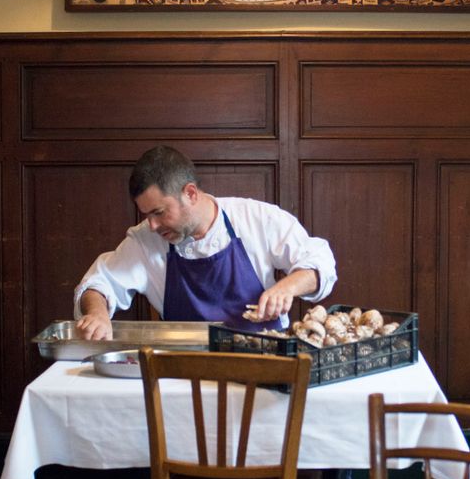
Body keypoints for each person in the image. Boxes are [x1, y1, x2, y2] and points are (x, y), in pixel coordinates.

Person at [74, 145, 337, 340]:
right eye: (146, 214)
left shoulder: (255, 217)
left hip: (265, 362)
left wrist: (287, 288)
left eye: (158, 212)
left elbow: (321, 265)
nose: (152, 225)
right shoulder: (146, 240)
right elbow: (99, 283)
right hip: (184, 370)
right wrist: (97, 313)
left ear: (189, 193)